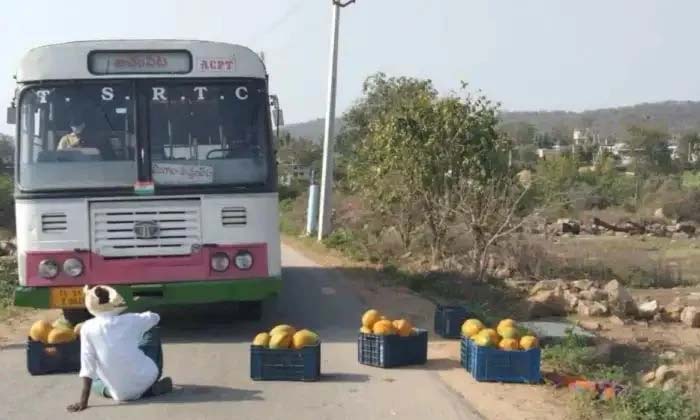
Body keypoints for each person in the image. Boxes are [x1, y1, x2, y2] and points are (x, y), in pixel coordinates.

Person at [67, 285, 173, 413]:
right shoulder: (131, 319)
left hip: (118, 393)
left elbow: (87, 366)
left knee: (96, 383)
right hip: (146, 378)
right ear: (115, 302)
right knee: (152, 330)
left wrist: (83, 401)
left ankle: (113, 392)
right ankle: (148, 389)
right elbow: (155, 317)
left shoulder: (87, 328)